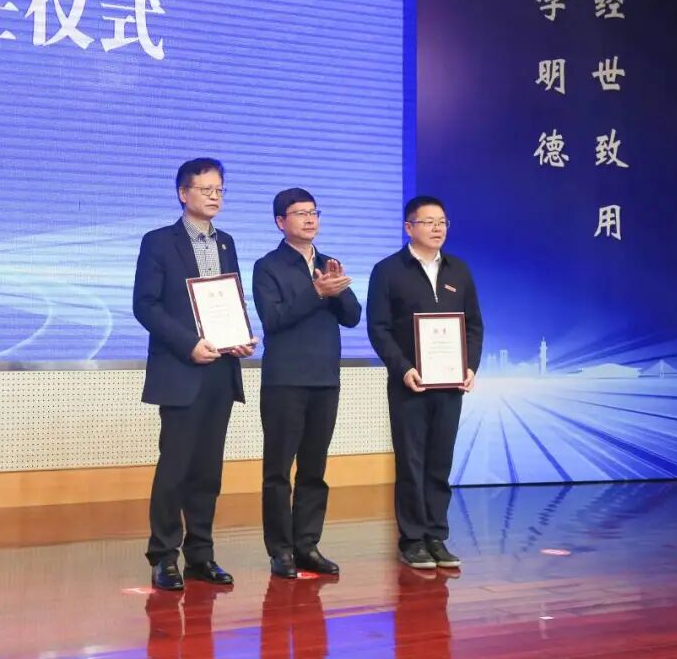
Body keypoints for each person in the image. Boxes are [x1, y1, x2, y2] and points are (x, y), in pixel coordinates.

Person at [133, 157, 256, 591]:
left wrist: (239, 337)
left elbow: (228, 302)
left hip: (221, 370)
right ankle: (164, 556)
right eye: (206, 189)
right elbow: (145, 306)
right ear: (183, 193)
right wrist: (189, 344)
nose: (215, 197)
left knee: (208, 469)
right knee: (176, 466)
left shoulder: (227, 243)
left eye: (220, 189)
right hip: (182, 369)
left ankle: (201, 555)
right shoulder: (159, 242)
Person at [366, 195, 483, 569]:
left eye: (443, 222)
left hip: (450, 384)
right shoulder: (388, 271)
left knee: (439, 461)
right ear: (408, 227)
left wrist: (470, 366)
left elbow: (474, 325)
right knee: (411, 461)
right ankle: (412, 539)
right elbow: (378, 329)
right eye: (429, 222)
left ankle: (436, 535)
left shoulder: (458, 270)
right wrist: (403, 368)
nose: (437, 228)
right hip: (410, 384)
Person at [252, 188, 361, 579]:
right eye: (300, 213)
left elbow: (352, 317)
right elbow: (274, 319)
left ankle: (307, 546)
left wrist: (337, 289)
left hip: (325, 379)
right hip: (284, 380)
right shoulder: (268, 266)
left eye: (314, 212)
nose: (310, 219)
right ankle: (280, 550)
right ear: (281, 222)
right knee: (279, 471)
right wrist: (315, 291)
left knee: (314, 469)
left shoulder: (328, 263)